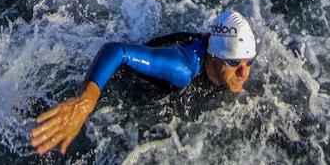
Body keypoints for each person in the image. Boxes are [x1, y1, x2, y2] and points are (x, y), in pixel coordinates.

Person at [30, 10, 257, 156]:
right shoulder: (182, 69)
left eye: (250, 62)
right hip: (124, 82)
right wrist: (87, 100)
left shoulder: (224, 56)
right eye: (234, 62)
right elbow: (117, 51)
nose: (244, 72)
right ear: (215, 56)